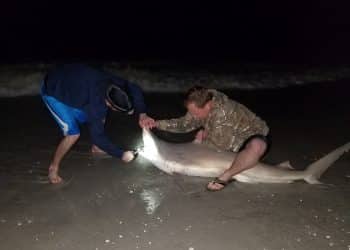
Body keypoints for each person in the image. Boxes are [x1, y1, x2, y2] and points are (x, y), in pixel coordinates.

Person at [41, 63, 156, 184]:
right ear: (110, 104)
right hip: (52, 90)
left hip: (71, 77)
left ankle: (97, 147)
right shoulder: (96, 105)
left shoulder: (115, 83)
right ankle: (53, 167)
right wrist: (121, 154)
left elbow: (135, 88)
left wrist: (142, 113)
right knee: (73, 134)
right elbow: (97, 136)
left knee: (97, 118)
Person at [154, 86, 270, 191]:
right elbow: (185, 124)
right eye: (191, 112)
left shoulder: (223, 112)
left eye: (195, 113)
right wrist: (156, 124)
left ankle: (227, 176)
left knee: (257, 145)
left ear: (208, 105)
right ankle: (241, 164)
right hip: (228, 135)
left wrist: (205, 136)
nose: (193, 116)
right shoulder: (199, 104)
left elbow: (221, 146)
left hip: (251, 135)